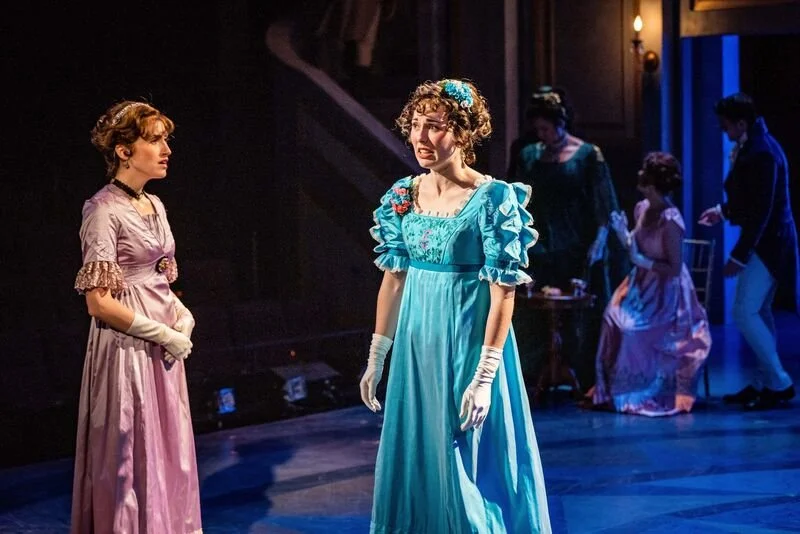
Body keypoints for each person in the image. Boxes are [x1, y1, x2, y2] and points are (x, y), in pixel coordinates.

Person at [360, 79, 551, 533]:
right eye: (416, 126)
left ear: (463, 134)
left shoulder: (492, 198)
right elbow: (394, 277)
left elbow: (504, 291)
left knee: (465, 462)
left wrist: (485, 376)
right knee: (420, 454)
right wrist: (377, 355)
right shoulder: (403, 195)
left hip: (468, 342)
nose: (421, 139)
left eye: (435, 127)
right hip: (416, 345)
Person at [71, 101, 202, 533]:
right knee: (132, 452)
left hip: (163, 348)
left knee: (169, 450)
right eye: (154, 139)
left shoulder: (155, 205)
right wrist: (162, 332)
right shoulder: (103, 209)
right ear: (124, 150)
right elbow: (99, 302)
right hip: (128, 346)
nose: (166, 149)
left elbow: (158, 278)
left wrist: (182, 318)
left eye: (166, 139)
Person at [510, 86, 628, 392]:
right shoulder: (530, 155)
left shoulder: (588, 156)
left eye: (547, 128)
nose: (543, 135)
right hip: (540, 246)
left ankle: (584, 378)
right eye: (538, 130)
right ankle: (535, 376)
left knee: (579, 315)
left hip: (576, 245)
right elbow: (515, 200)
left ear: (561, 124)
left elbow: (604, 207)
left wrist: (598, 244)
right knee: (533, 312)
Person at [589, 152, 711, 416]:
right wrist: (624, 236)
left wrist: (640, 260)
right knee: (612, 317)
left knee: (632, 329)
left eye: (645, 172)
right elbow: (636, 245)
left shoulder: (671, 221)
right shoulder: (642, 208)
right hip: (641, 285)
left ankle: (637, 392)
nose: (639, 175)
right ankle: (612, 390)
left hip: (668, 292)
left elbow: (674, 268)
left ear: (652, 183)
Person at [699, 92, 799, 410]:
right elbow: (750, 200)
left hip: (770, 244)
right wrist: (723, 211)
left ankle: (779, 381)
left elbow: (762, 211)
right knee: (759, 311)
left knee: (744, 310)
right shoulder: (752, 147)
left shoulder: (762, 152)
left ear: (741, 123)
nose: (723, 130)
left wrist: (738, 256)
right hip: (766, 242)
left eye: (726, 125)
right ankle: (766, 382)